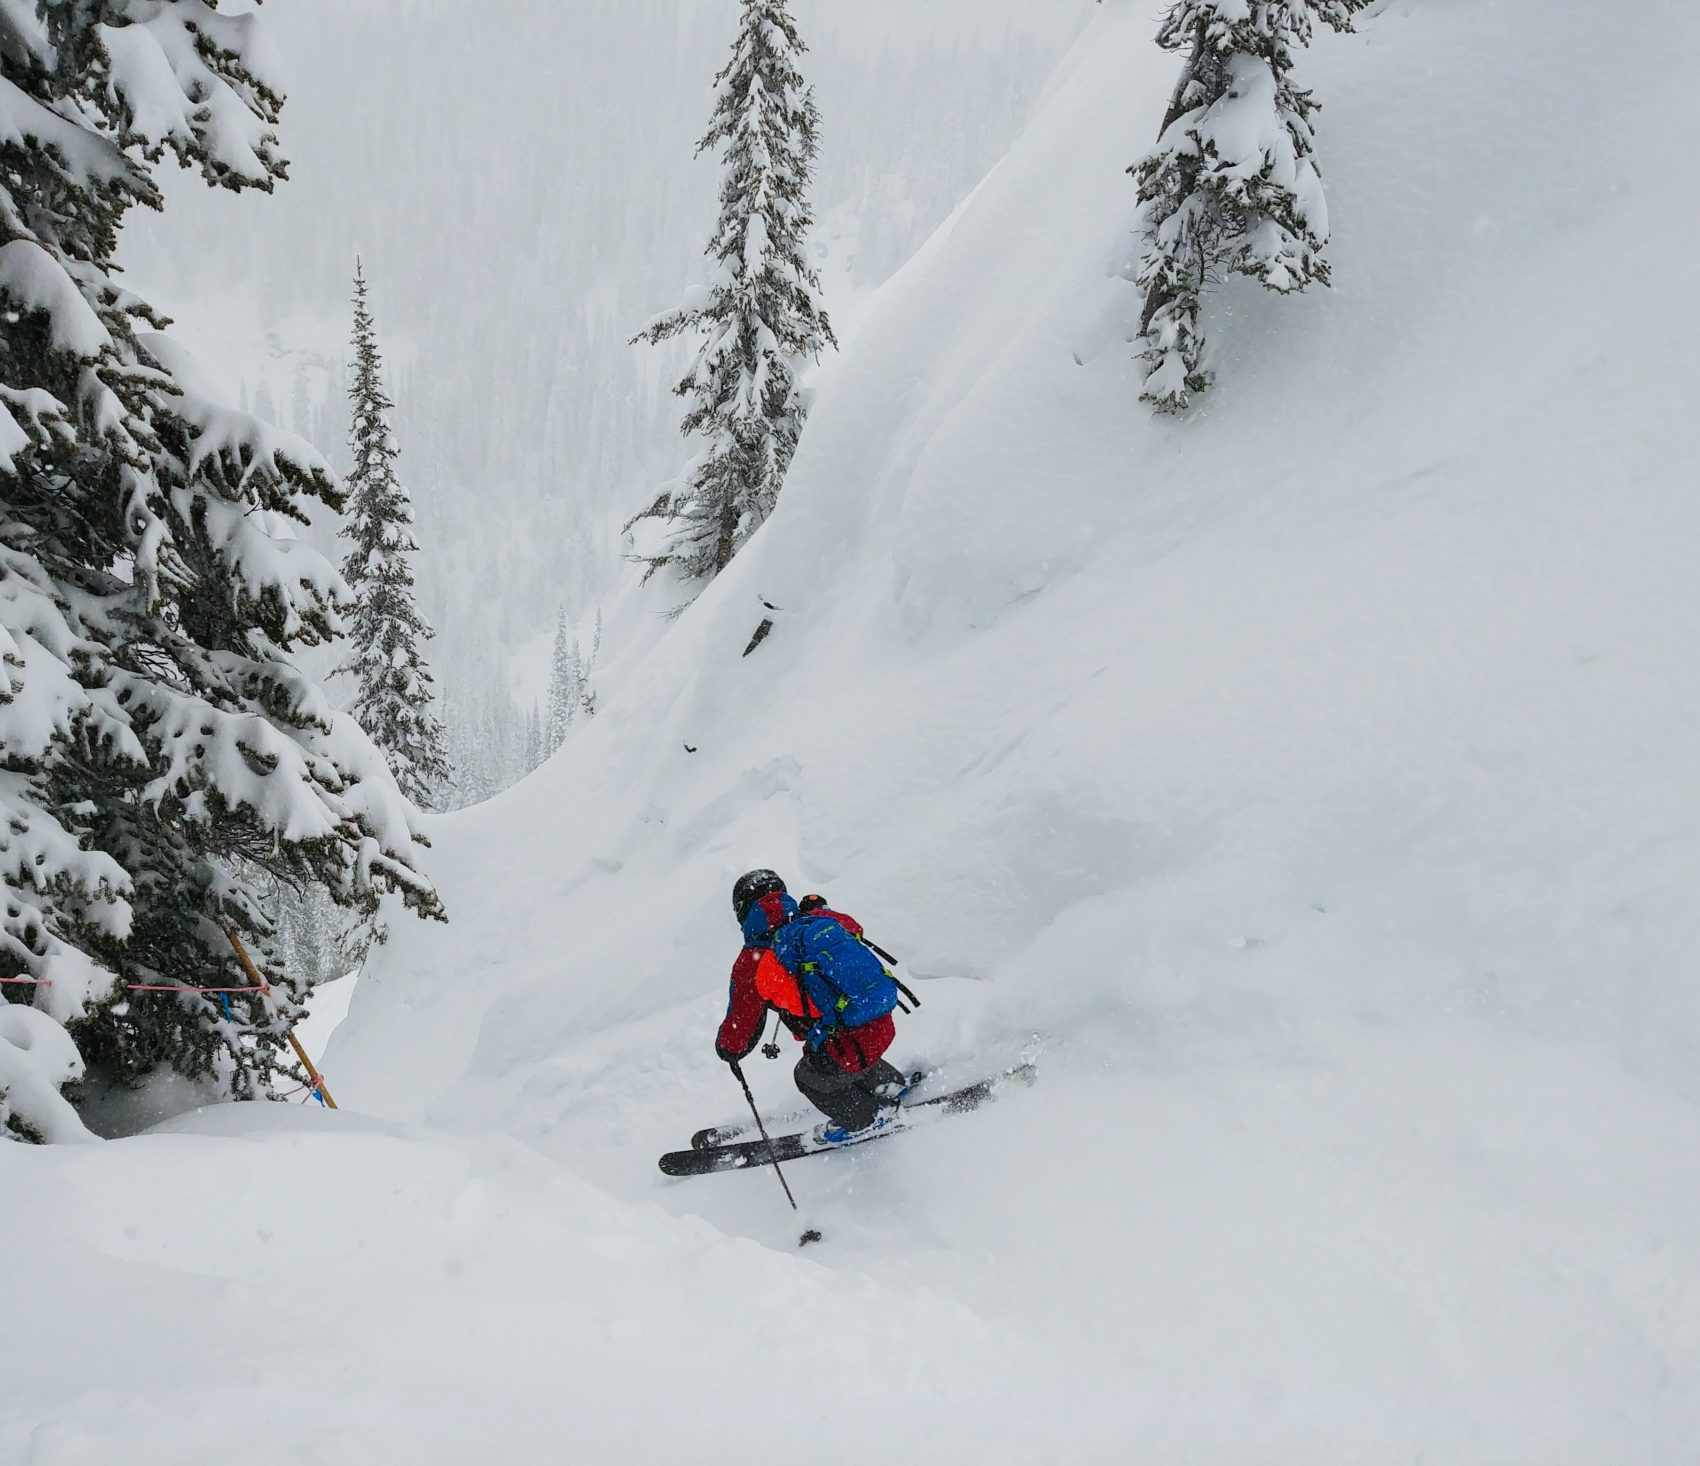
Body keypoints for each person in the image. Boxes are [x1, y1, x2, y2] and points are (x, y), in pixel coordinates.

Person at [715, 869, 908, 1143]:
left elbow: (741, 1027)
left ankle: (865, 1120)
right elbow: (853, 927)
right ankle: (887, 1085)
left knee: (809, 1075)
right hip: (880, 1016)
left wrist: (727, 1049)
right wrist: (819, 908)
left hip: (846, 1041)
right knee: (841, 1041)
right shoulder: (816, 920)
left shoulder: (753, 960)